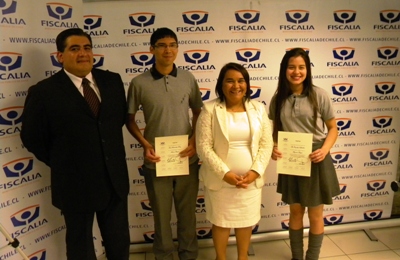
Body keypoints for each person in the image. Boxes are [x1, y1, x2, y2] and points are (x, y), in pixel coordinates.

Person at [20, 28, 130, 260]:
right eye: (75, 48)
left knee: (118, 241)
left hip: (114, 180)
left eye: (87, 48)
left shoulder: (112, 81)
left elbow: (114, 122)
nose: (83, 53)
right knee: (80, 246)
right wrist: (63, 161)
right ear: (59, 56)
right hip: (74, 184)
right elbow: (32, 138)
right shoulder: (44, 92)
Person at [126, 27, 203, 260]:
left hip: (186, 158)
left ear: (177, 49)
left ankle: (189, 255)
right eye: (162, 45)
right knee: (160, 215)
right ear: (152, 49)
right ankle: (164, 255)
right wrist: (144, 144)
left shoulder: (188, 78)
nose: (168, 49)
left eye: (172, 45)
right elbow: (129, 120)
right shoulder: (139, 83)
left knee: (187, 214)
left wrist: (194, 141)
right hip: (156, 160)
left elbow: (199, 112)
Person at [196, 62, 273, 260]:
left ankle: (242, 257)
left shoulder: (258, 109)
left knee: (245, 221)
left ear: (247, 84)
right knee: (221, 221)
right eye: (230, 81)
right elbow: (203, 146)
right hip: (220, 181)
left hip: (250, 181)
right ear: (221, 85)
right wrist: (225, 174)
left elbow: (266, 144)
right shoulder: (209, 109)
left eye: (241, 81)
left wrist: (255, 172)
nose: (236, 86)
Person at [268, 48, 340, 260]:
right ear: (284, 70)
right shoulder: (277, 98)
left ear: (308, 70)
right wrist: (273, 145)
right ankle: (297, 257)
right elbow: (274, 129)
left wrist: (324, 150)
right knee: (295, 212)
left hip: (316, 159)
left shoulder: (320, 95)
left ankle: (312, 257)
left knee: (316, 214)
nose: (296, 72)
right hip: (291, 161)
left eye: (301, 67)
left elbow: (333, 128)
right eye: (292, 67)